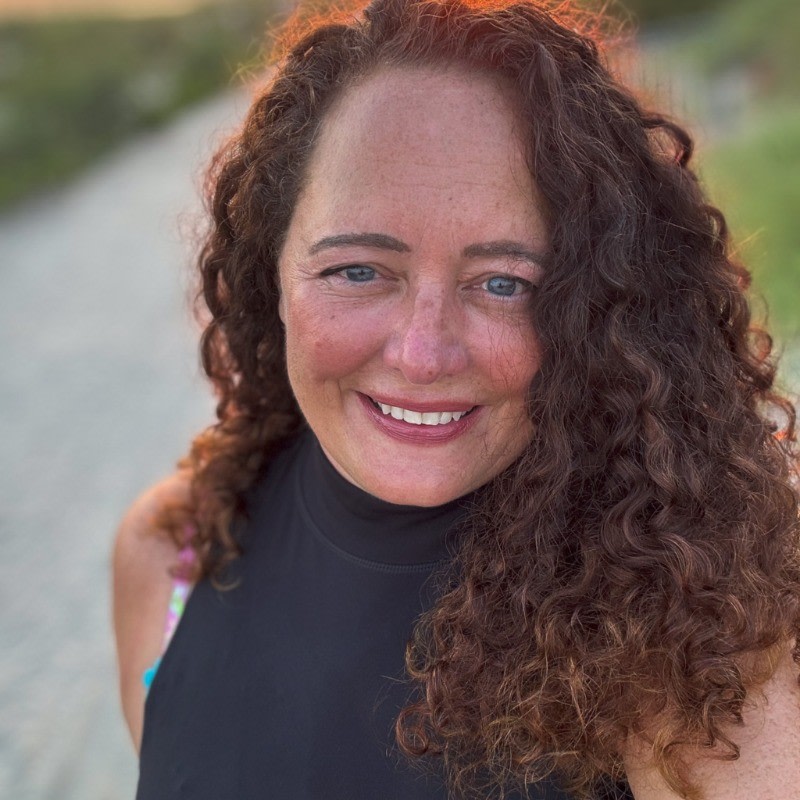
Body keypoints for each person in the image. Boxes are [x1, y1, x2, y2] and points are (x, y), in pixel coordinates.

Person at [112, 0, 800, 797]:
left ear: (603, 306)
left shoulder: (701, 627)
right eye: (357, 271)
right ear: (273, 271)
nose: (422, 353)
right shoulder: (172, 553)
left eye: (504, 283)